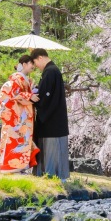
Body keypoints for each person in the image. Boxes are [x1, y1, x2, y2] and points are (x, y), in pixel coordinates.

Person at [29, 47, 70, 180]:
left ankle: (50, 175)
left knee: (50, 150)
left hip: (51, 120)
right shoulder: (53, 70)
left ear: (40, 58)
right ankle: (57, 175)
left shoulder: (50, 72)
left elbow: (44, 97)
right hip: (57, 119)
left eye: (35, 63)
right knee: (57, 150)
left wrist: (32, 97)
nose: (36, 67)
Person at [0, 55, 40, 173]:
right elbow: (15, 94)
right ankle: (12, 168)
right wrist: (29, 95)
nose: (34, 66)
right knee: (15, 141)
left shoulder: (24, 79)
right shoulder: (17, 78)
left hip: (23, 116)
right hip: (16, 117)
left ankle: (21, 168)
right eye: (31, 63)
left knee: (23, 141)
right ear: (24, 64)